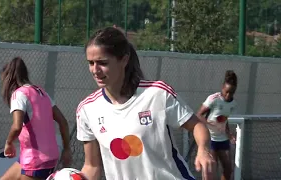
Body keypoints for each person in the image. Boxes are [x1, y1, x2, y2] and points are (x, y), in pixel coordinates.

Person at [76, 27, 215, 180]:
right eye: (91, 63)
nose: (95, 70)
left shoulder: (157, 94)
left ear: (124, 60)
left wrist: (203, 149)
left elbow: (197, 125)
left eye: (102, 63)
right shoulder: (87, 109)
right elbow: (92, 166)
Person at [0, 57, 72, 180]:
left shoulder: (19, 94)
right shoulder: (42, 92)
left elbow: (17, 127)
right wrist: (66, 149)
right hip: (43, 156)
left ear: (7, 77)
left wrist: (9, 143)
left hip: (35, 161)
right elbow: (63, 122)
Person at [197, 70, 237, 180]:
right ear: (222, 87)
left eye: (231, 92)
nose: (228, 95)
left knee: (228, 169)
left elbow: (224, 120)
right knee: (210, 172)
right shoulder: (213, 99)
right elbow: (199, 115)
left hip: (223, 140)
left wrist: (229, 133)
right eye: (226, 92)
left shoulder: (233, 104)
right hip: (210, 140)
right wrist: (209, 124)